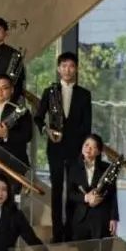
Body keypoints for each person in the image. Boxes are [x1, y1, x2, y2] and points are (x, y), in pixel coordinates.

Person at [35, 51, 93, 241]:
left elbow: (87, 125)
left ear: (76, 69)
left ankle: (71, 232)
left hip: (76, 149)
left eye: (71, 66)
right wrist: (46, 131)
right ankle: (57, 233)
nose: (68, 70)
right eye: (64, 66)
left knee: (73, 190)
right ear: (58, 69)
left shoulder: (84, 94)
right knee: (57, 190)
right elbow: (38, 118)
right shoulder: (50, 91)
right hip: (55, 148)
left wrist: (84, 150)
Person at [68, 134, 119, 251]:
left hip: (102, 219)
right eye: (86, 145)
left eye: (93, 147)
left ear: (99, 151)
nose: (88, 149)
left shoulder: (107, 168)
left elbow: (113, 195)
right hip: (81, 221)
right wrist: (86, 197)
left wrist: (114, 218)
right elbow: (70, 194)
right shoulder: (73, 167)